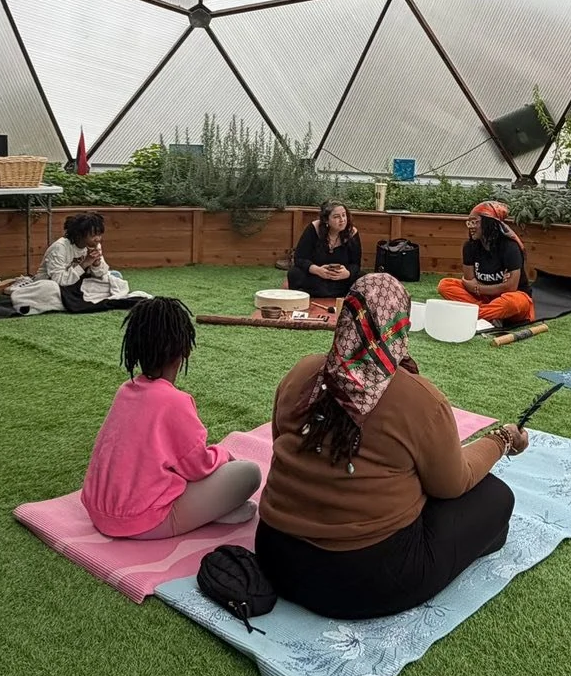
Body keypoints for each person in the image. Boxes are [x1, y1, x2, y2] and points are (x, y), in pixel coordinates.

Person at [256, 274, 526, 619]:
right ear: (401, 326)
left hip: (274, 554)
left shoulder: (302, 373)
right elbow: (452, 484)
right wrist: (500, 439)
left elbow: (282, 441)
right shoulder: (418, 399)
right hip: (360, 580)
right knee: (495, 497)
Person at [82, 298, 262, 539]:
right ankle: (212, 512)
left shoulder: (126, 389)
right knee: (248, 473)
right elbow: (197, 467)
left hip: (99, 511)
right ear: (184, 349)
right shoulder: (174, 401)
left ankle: (209, 510)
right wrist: (222, 454)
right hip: (144, 521)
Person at [435, 200, 534, 325]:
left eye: (474, 222)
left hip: (512, 297)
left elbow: (510, 287)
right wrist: (480, 289)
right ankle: (489, 315)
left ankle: (474, 314)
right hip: (485, 299)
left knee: (512, 303)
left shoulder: (510, 247)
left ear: (488, 222)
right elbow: (469, 281)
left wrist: (478, 288)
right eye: (469, 222)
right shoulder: (469, 247)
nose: (470, 226)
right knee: (445, 285)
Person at [40, 212, 150, 312]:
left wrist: (96, 264)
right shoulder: (60, 248)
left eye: (100, 234)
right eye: (93, 235)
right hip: (54, 285)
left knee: (114, 278)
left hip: (77, 283)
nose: (98, 239)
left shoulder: (94, 246)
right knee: (51, 289)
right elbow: (59, 280)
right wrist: (84, 264)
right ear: (79, 235)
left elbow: (100, 274)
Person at [287, 200, 361, 298]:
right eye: (336, 217)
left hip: (340, 280)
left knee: (362, 277)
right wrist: (317, 270)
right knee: (294, 273)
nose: (342, 220)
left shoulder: (352, 233)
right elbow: (299, 258)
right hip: (317, 277)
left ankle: (330, 293)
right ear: (326, 220)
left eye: (344, 215)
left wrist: (347, 273)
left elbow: (356, 264)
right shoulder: (314, 229)